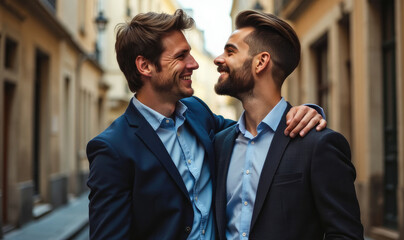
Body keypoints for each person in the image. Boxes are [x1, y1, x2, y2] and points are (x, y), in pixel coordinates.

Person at [86, 9, 326, 240]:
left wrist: (304, 112)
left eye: (190, 53)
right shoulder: (113, 149)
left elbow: (256, 131)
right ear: (145, 66)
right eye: (181, 56)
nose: (194, 64)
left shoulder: (197, 112)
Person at [213, 10, 364, 240]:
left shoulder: (318, 145)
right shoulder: (220, 144)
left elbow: (345, 234)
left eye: (230, 51)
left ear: (261, 62)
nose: (218, 59)